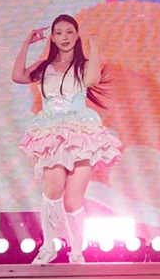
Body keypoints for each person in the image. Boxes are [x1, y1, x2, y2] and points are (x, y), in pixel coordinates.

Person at [13, 14, 122, 263]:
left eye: (69, 32)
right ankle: (48, 246)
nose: (64, 37)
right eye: (59, 33)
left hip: (81, 134)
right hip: (52, 133)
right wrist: (26, 43)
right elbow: (18, 76)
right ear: (52, 37)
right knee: (52, 191)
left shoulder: (83, 65)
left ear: (76, 35)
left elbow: (92, 80)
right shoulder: (44, 67)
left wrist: (95, 47)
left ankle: (76, 252)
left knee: (73, 202)